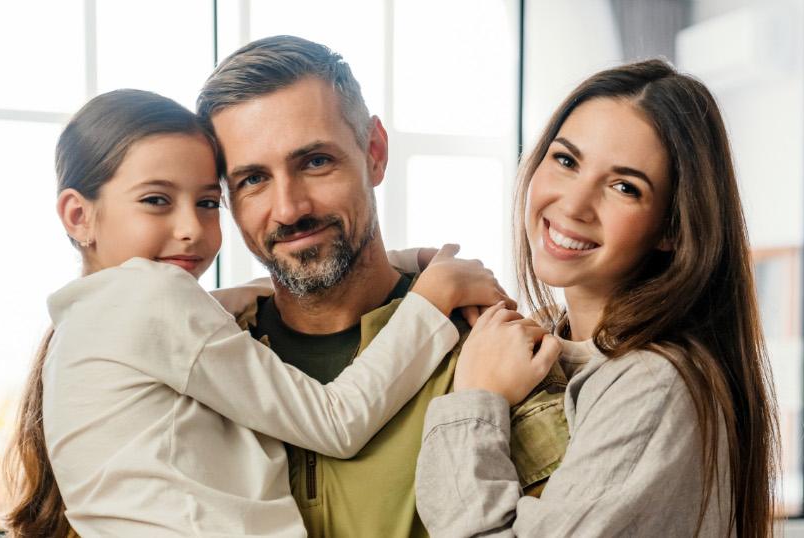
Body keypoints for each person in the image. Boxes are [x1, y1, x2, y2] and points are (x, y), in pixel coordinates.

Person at [2, 88, 516, 537]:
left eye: (207, 203)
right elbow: (335, 422)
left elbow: (239, 299)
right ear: (78, 215)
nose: (191, 229)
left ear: (374, 152)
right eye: (157, 200)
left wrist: (408, 261)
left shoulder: (92, 317)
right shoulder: (154, 299)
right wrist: (431, 297)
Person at [196, 35, 569, 538]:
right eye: (253, 180)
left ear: (374, 152)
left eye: (314, 162)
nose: (289, 209)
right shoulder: (200, 358)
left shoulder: (488, 351)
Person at [415, 59, 781, 537]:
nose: (573, 204)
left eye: (623, 187)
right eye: (566, 161)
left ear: (672, 227)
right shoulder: (548, 339)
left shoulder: (654, 383)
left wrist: (475, 399)